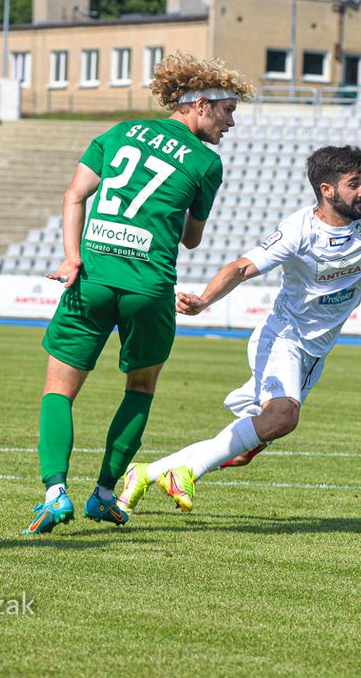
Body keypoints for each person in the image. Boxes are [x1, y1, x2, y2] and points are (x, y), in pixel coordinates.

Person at [114, 144, 361, 516]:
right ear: (327, 190)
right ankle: (186, 470)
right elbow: (241, 268)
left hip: (315, 354)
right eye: (354, 184)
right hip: (284, 337)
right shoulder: (298, 230)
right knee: (282, 417)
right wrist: (204, 301)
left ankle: (146, 472)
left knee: (245, 448)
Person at [21, 53, 253, 535]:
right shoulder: (207, 162)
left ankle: (54, 493)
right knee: (140, 389)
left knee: (58, 391)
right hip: (149, 288)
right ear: (201, 104)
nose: (231, 122)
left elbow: (73, 196)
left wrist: (71, 255)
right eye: (228, 110)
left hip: (93, 278)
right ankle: (105, 494)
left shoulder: (118, 132)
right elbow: (191, 239)